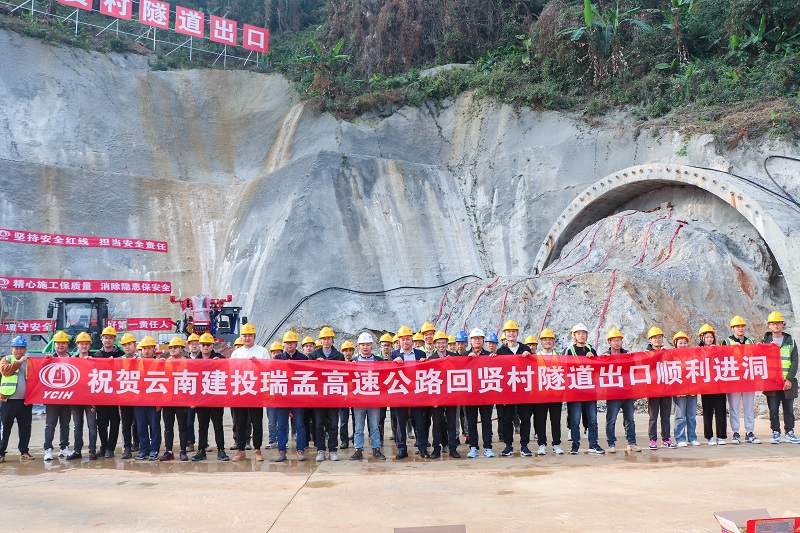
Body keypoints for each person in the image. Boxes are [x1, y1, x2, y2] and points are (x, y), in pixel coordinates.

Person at [230, 322, 270, 461]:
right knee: (240, 422)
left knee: (257, 421)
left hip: (256, 392)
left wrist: (258, 363)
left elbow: (268, 369)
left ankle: (257, 449)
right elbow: (231, 371)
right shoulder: (236, 353)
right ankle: (240, 449)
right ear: (241, 337)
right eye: (245, 335)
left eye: (250, 335)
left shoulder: (262, 351)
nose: (247, 338)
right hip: (241, 391)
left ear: (254, 336)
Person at [495, 320, 533, 457]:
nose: (511, 333)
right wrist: (492, 358)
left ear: (517, 333)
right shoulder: (500, 351)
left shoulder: (525, 349)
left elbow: (533, 366)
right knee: (507, 419)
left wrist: (529, 357)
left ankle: (524, 445)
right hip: (507, 391)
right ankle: (508, 445)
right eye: (508, 332)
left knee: (525, 419)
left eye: (513, 331)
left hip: (523, 391)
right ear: (505, 334)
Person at [565, 323, 604, 455]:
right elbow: (565, 368)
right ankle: (575, 445)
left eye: (583, 333)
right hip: (575, 391)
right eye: (578, 333)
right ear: (574, 336)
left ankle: (593, 444)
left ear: (587, 335)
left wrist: (593, 359)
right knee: (575, 420)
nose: (581, 336)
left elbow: (598, 369)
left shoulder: (591, 350)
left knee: (592, 419)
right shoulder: (569, 350)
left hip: (590, 390)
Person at [762, 312, 800, 444]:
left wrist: (789, 379)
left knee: (788, 409)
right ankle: (776, 432)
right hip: (771, 382)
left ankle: (789, 432)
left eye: (778, 323)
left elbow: (795, 361)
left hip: (787, 382)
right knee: (773, 409)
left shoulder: (790, 341)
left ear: (783, 325)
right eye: (773, 323)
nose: (776, 326)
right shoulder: (764, 342)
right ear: (769, 325)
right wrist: (768, 347)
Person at [390, 325, 427, 459]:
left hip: (417, 392)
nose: (405, 342)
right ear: (399, 341)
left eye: (407, 339)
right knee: (401, 422)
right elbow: (388, 374)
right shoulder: (394, 355)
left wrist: (425, 363)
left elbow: (427, 373)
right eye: (402, 339)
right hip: (401, 392)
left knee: (419, 421)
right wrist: (393, 364)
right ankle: (402, 449)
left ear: (412, 340)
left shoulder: (420, 354)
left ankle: (422, 448)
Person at [191, 332, 230, 461]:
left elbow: (228, 369)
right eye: (203, 345)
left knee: (218, 425)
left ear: (212, 345)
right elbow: (192, 381)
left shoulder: (219, 358)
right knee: (202, 426)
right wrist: (192, 399)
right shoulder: (195, 361)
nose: (205, 347)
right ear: (200, 346)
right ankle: (201, 450)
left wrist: (220, 363)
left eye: (208, 344)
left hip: (216, 399)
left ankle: (221, 450)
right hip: (202, 399)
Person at [603, 328, 642, 453]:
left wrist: (632, 359)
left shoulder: (627, 355)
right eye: (614, 341)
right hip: (613, 394)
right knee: (611, 420)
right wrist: (603, 360)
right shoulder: (605, 357)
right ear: (609, 342)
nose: (616, 343)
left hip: (627, 392)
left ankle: (632, 442)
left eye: (618, 340)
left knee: (630, 419)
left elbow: (634, 371)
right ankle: (611, 444)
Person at [349, 332, 387, 460]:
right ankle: (358, 450)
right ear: (359, 346)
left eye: (368, 344)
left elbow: (385, 377)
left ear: (372, 346)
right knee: (358, 427)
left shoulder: (379, 361)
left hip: (374, 399)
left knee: (375, 426)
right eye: (363, 345)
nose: (365, 347)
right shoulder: (353, 362)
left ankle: (376, 449)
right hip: (359, 399)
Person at [309, 326, 344, 461]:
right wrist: (316, 365)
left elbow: (343, 374)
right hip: (319, 396)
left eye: (328, 338)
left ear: (332, 340)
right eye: (323, 339)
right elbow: (308, 374)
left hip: (333, 395)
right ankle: (321, 450)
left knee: (334, 424)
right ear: (320, 340)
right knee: (318, 424)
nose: (326, 341)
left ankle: (333, 450)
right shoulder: (314, 355)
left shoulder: (339, 356)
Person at [272, 331, 308, 462]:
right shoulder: (278, 358)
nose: (289, 345)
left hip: (298, 396)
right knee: (282, 425)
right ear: (284, 344)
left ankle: (300, 450)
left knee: (299, 425)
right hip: (282, 397)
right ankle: (281, 451)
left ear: (296, 344)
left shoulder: (303, 358)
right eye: (287, 343)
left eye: (292, 342)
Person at [724, 316, 760, 444]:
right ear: (732, 328)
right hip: (733, 380)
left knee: (749, 407)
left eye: (742, 326)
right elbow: (720, 357)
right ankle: (736, 433)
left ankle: (750, 432)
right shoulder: (726, 342)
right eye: (737, 326)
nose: (740, 328)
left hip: (748, 379)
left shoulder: (750, 341)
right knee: (734, 408)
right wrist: (730, 349)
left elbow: (756, 357)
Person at [462, 328, 495, 458]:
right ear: (470, 341)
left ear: (483, 340)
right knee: (471, 421)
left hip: (486, 393)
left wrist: (494, 360)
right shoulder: (464, 356)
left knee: (487, 421)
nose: (477, 340)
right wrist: (467, 360)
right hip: (470, 395)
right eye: (474, 338)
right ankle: (473, 447)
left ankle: (488, 447)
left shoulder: (490, 355)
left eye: (479, 338)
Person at [0, 336, 34, 463]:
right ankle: (1, 453)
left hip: (25, 401)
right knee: (5, 428)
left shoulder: (30, 362)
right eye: (16, 348)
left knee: (25, 428)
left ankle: (24, 451)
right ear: (12, 349)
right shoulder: (6, 359)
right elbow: (5, 371)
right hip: (8, 401)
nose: (19, 351)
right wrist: (19, 362)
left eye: (21, 348)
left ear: (25, 349)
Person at [94, 325, 125, 458]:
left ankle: (110, 448)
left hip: (116, 395)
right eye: (105, 338)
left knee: (115, 422)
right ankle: (103, 446)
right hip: (101, 395)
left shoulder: (121, 355)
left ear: (114, 340)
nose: (108, 340)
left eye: (110, 338)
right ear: (102, 339)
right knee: (101, 423)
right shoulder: (96, 356)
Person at [428, 330, 460, 458]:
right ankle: (436, 448)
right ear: (435, 344)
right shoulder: (431, 359)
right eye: (438, 343)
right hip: (437, 396)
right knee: (437, 423)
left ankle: (453, 448)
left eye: (443, 342)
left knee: (452, 423)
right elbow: (428, 379)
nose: (441, 345)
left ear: (447, 343)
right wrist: (432, 399)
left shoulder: (454, 357)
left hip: (452, 395)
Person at [42, 331, 73, 461]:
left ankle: (64, 447)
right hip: (52, 398)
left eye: (63, 343)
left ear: (67, 344)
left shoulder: (73, 359)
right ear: (54, 344)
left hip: (67, 398)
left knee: (65, 424)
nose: (61, 345)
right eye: (58, 343)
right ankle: (48, 449)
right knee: (50, 425)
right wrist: (45, 361)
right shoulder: (48, 359)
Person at [68, 332, 98, 460]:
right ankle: (77, 451)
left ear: (90, 345)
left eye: (86, 344)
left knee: (92, 425)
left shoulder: (96, 360)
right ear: (77, 345)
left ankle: (92, 451)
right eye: (81, 344)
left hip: (90, 398)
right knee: (77, 425)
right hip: (76, 398)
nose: (84, 346)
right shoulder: (72, 360)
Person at [534, 328, 564, 455]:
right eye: (545, 339)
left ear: (553, 341)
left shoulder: (560, 356)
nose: (547, 342)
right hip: (541, 395)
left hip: (556, 394)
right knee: (540, 420)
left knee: (556, 420)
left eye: (550, 339)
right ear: (541, 341)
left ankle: (556, 444)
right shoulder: (534, 357)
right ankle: (542, 444)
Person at [160, 336, 190, 461]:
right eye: (171, 347)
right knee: (168, 427)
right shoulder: (165, 362)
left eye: (176, 347)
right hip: (167, 400)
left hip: (181, 400)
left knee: (183, 426)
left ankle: (183, 451)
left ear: (181, 348)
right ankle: (169, 451)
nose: (173, 349)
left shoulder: (187, 362)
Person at [646, 326, 675, 450]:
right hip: (653, 390)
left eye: (659, 337)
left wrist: (667, 354)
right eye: (655, 338)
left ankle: (666, 439)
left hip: (666, 389)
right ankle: (653, 439)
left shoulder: (666, 352)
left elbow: (673, 365)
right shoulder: (646, 354)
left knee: (666, 416)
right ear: (650, 340)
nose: (657, 340)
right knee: (653, 417)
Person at [133, 336, 162, 461]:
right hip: (139, 401)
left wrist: (160, 401)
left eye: (149, 348)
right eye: (144, 348)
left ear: (154, 349)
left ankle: (154, 450)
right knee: (141, 427)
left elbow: (164, 383)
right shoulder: (135, 364)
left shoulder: (160, 363)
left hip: (153, 401)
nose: (146, 351)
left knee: (154, 427)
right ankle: (144, 449)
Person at [698, 324, 727, 445]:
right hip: (706, 385)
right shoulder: (697, 351)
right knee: (708, 411)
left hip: (719, 384)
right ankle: (709, 436)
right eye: (707, 337)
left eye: (711, 337)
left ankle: (721, 436)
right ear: (702, 338)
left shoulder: (719, 349)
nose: (709, 339)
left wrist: (717, 351)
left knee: (720, 410)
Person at [671, 331, 700, 447]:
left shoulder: (692, 355)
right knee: (680, 416)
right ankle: (680, 438)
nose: (683, 345)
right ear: (675, 344)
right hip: (679, 391)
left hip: (692, 390)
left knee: (692, 415)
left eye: (685, 343)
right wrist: (674, 389)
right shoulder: (672, 356)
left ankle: (692, 437)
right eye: (680, 343)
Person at [118, 332, 140, 459]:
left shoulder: (141, 360)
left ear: (135, 345)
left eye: (129, 344)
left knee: (139, 423)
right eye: (125, 345)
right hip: (124, 397)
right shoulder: (118, 361)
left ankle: (139, 444)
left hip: (138, 397)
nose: (127, 347)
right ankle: (127, 447)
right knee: (126, 424)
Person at [185, 332, 201, 453]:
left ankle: (204, 443)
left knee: (203, 422)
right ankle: (190, 442)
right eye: (192, 344)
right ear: (188, 346)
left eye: (196, 343)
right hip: (189, 396)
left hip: (202, 395)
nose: (194, 346)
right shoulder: (184, 360)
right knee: (189, 422)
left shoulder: (205, 359)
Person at [339, 340, 356, 449]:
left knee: (356, 419)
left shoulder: (357, 363)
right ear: (342, 352)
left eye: (350, 350)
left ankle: (355, 438)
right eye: (345, 351)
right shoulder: (338, 364)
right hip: (343, 396)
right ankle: (344, 440)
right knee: (343, 421)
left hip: (354, 395)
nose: (348, 353)